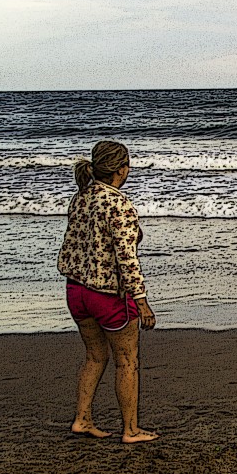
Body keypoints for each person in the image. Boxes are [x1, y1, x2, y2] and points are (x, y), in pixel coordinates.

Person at [58, 140, 159, 443]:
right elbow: (127, 258)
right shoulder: (120, 204)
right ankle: (130, 429)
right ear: (121, 170)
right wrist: (141, 302)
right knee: (127, 361)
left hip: (76, 289)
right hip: (107, 294)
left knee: (94, 356)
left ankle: (82, 419)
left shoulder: (81, 197)